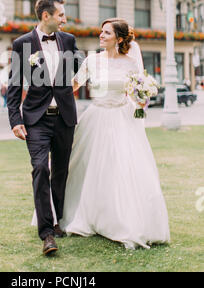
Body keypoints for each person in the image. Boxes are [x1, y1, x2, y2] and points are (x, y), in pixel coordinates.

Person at [58, 18, 170, 250]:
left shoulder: (130, 62)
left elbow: (137, 93)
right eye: (101, 32)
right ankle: (87, 214)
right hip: (96, 118)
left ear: (119, 39)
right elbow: (74, 85)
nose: (101, 35)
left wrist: (141, 98)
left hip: (122, 118)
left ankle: (120, 219)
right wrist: (48, 94)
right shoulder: (92, 60)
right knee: (88, 167)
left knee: (120, 168)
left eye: (106, 33)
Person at [7, 0, 83, 256]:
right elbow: (15, 85)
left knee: (60, 171)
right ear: (46, 16)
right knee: (41, 168)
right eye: (61, 14)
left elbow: (81, 70)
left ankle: (59, 220)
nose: (65, 19)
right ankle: (47, 233)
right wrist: (15, 121)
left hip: (64, 118)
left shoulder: (69, 40)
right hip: (36, 120)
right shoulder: (22, 44)